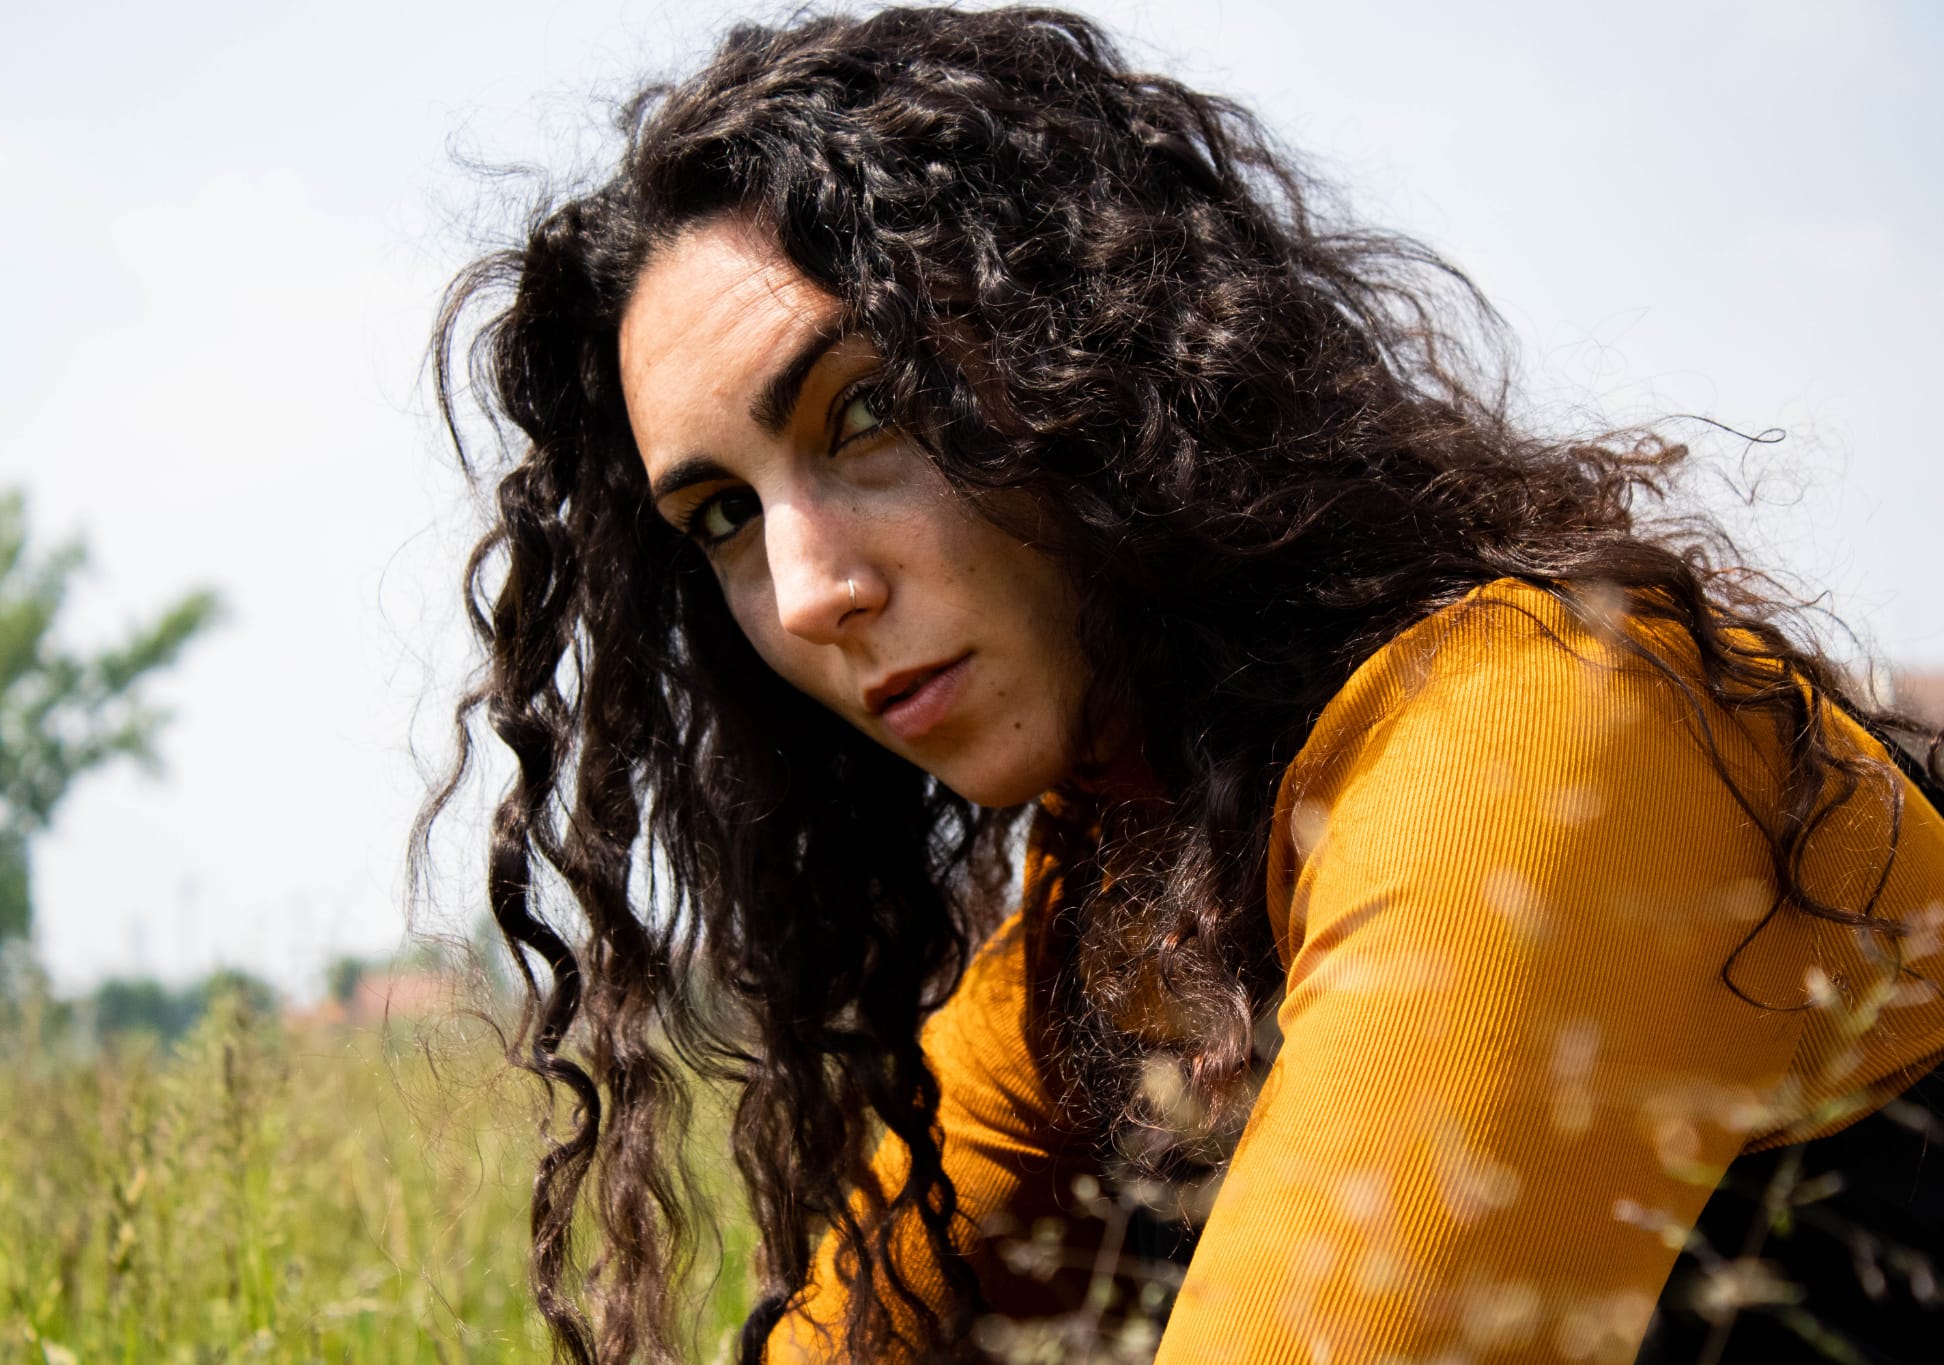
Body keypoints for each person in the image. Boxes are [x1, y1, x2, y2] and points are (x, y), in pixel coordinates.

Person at [421, 7, 1944, 1362]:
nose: (811, 589)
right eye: (723, 519)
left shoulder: (1535, 725)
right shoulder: (1126, 870)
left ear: (1087, 359)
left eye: (869, 410)